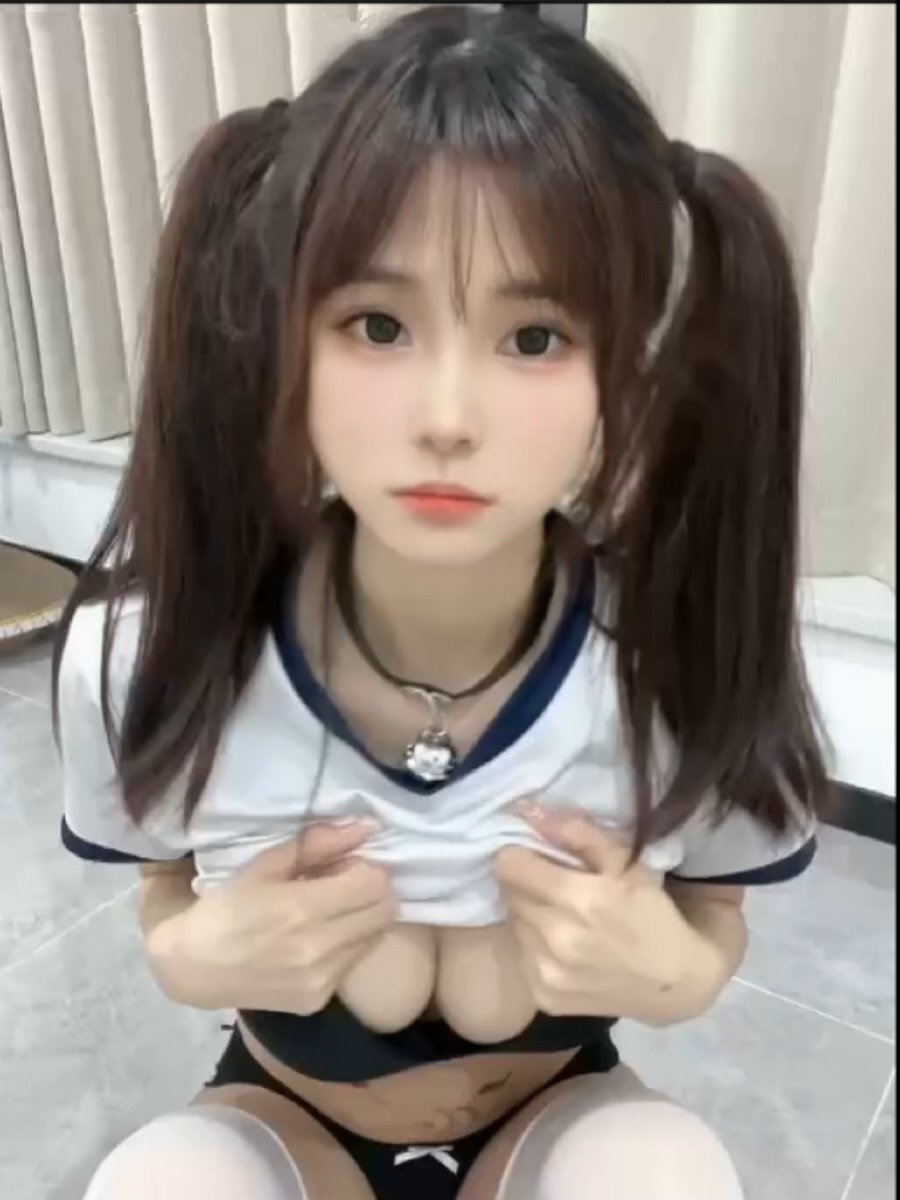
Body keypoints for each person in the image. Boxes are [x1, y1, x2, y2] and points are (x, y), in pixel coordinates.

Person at [53, 6, 830, 1198]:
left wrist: (679, 977)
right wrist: (187, 958)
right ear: (283, 335)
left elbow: (714, 908)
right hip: (283, 1112)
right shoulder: (154, 650)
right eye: (378, 325)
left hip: (559, 1111)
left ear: (634, 364)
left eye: (536, 336)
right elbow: (162, 882)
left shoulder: (679, 658)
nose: (448, 417)